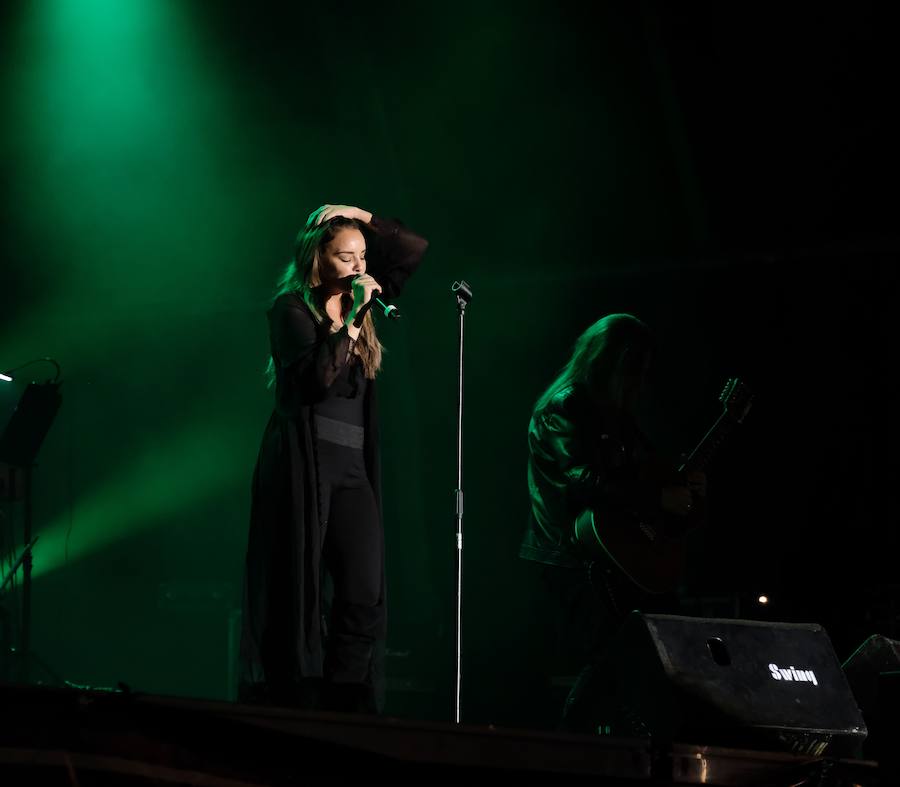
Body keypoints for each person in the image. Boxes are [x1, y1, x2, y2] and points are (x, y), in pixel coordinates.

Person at [239, 203, 428, 714]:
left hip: (351, 467)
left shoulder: (364, 295)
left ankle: (348, 703)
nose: (359, 267)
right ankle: (295, 703)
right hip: (304, 461)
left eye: (363, 256)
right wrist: (350, 322)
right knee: (298, 590)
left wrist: (356, 212)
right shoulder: (291, 310)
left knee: (363, 588)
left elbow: (412, 248)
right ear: (318, 259)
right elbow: (317, 381)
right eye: (346, 257)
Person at [519, 313, 706, 732]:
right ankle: (575, 741)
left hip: (607, 557)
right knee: (611, 658)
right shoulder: (565, 407)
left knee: (643, 654)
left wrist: (682, 485)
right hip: (568, 558)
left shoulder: (614, 413)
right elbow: (580, 479)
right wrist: (657, 495)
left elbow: (641, 472)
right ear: (610, 362)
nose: (636, 386)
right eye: (631, 372)